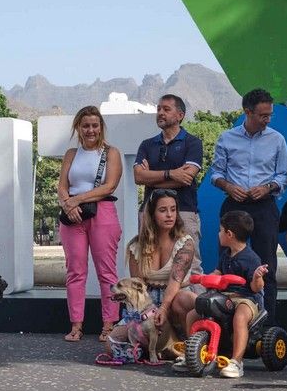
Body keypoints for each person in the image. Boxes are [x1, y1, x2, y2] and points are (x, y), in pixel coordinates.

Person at [209, 87, 287, 318]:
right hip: (234, 207)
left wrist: (268, 187)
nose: (267, 120)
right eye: (263, 115)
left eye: (269, 115)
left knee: (267, 266)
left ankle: (268, 323)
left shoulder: (277, 139)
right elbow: (216, 173)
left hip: (265, 207)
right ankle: (226, 319)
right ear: (247, 112)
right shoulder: (227, 137)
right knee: (227, 262)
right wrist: (229, 187)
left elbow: (284, 175)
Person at [57, 106, 124, 342]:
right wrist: (69, 204)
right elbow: (62, 185)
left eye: (95, 125)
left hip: (102, 211)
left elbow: (110, 186)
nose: (90, 130)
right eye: (86, 125)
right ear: (78, 128)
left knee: (106, 272)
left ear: (101, 127)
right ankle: (76, 324)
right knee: (75, 271)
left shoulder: (111, 153)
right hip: (73, 216)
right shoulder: (71, 154)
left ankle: (108, 325)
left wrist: (78, 199)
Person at [183, 210, 267, 379]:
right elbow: (218, 272)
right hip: (226, 295)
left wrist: (258, 277)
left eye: (220, 230)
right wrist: (202, 278)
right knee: (193, 313)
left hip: (247, 298)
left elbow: (256, 288)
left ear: (229, 234)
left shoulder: (251, 258)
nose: (218, 233)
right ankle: (192, 352)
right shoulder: (226, 254)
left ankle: (236, 361)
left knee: (240, 317)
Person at [126, 188, 202, 348]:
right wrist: (148, 311)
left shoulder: (185, 243)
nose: (170, 215)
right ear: (152, 214)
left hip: (175, 298)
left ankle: (191, 345)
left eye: (173, 210)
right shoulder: (135, 246)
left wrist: (164, 308)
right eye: (163, 210)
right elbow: (137, 287)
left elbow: (175, 281)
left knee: (184, 299)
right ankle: (168, 343)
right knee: (111, 344)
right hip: (148, 300)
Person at [133, 94, 204, 243]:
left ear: (180, 115)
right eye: (158, 109)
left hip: (184, 211)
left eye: (166, 109)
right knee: (148, 260)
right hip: (149, 212)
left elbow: (185, 179)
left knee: (188, 262)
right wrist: (171, 174)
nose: (160, 113)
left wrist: (150, 179)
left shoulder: (193, 143)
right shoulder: (147, 145)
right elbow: (138, 177)